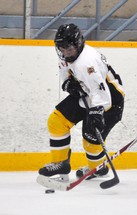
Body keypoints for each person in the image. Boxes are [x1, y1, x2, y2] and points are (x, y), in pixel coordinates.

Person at [38, 23, 125, 181]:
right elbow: (65, 71)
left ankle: (98, 169)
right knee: (57, 121)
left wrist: (97, 112)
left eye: (68, 49)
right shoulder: (66, 52)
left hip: (110, 101)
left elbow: (102, 93)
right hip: (86, 94)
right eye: (62, 49)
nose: (65, 53)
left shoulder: (88, 62)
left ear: (78, 45)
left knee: (90, 142)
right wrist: (68, 83)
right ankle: (60, 163)